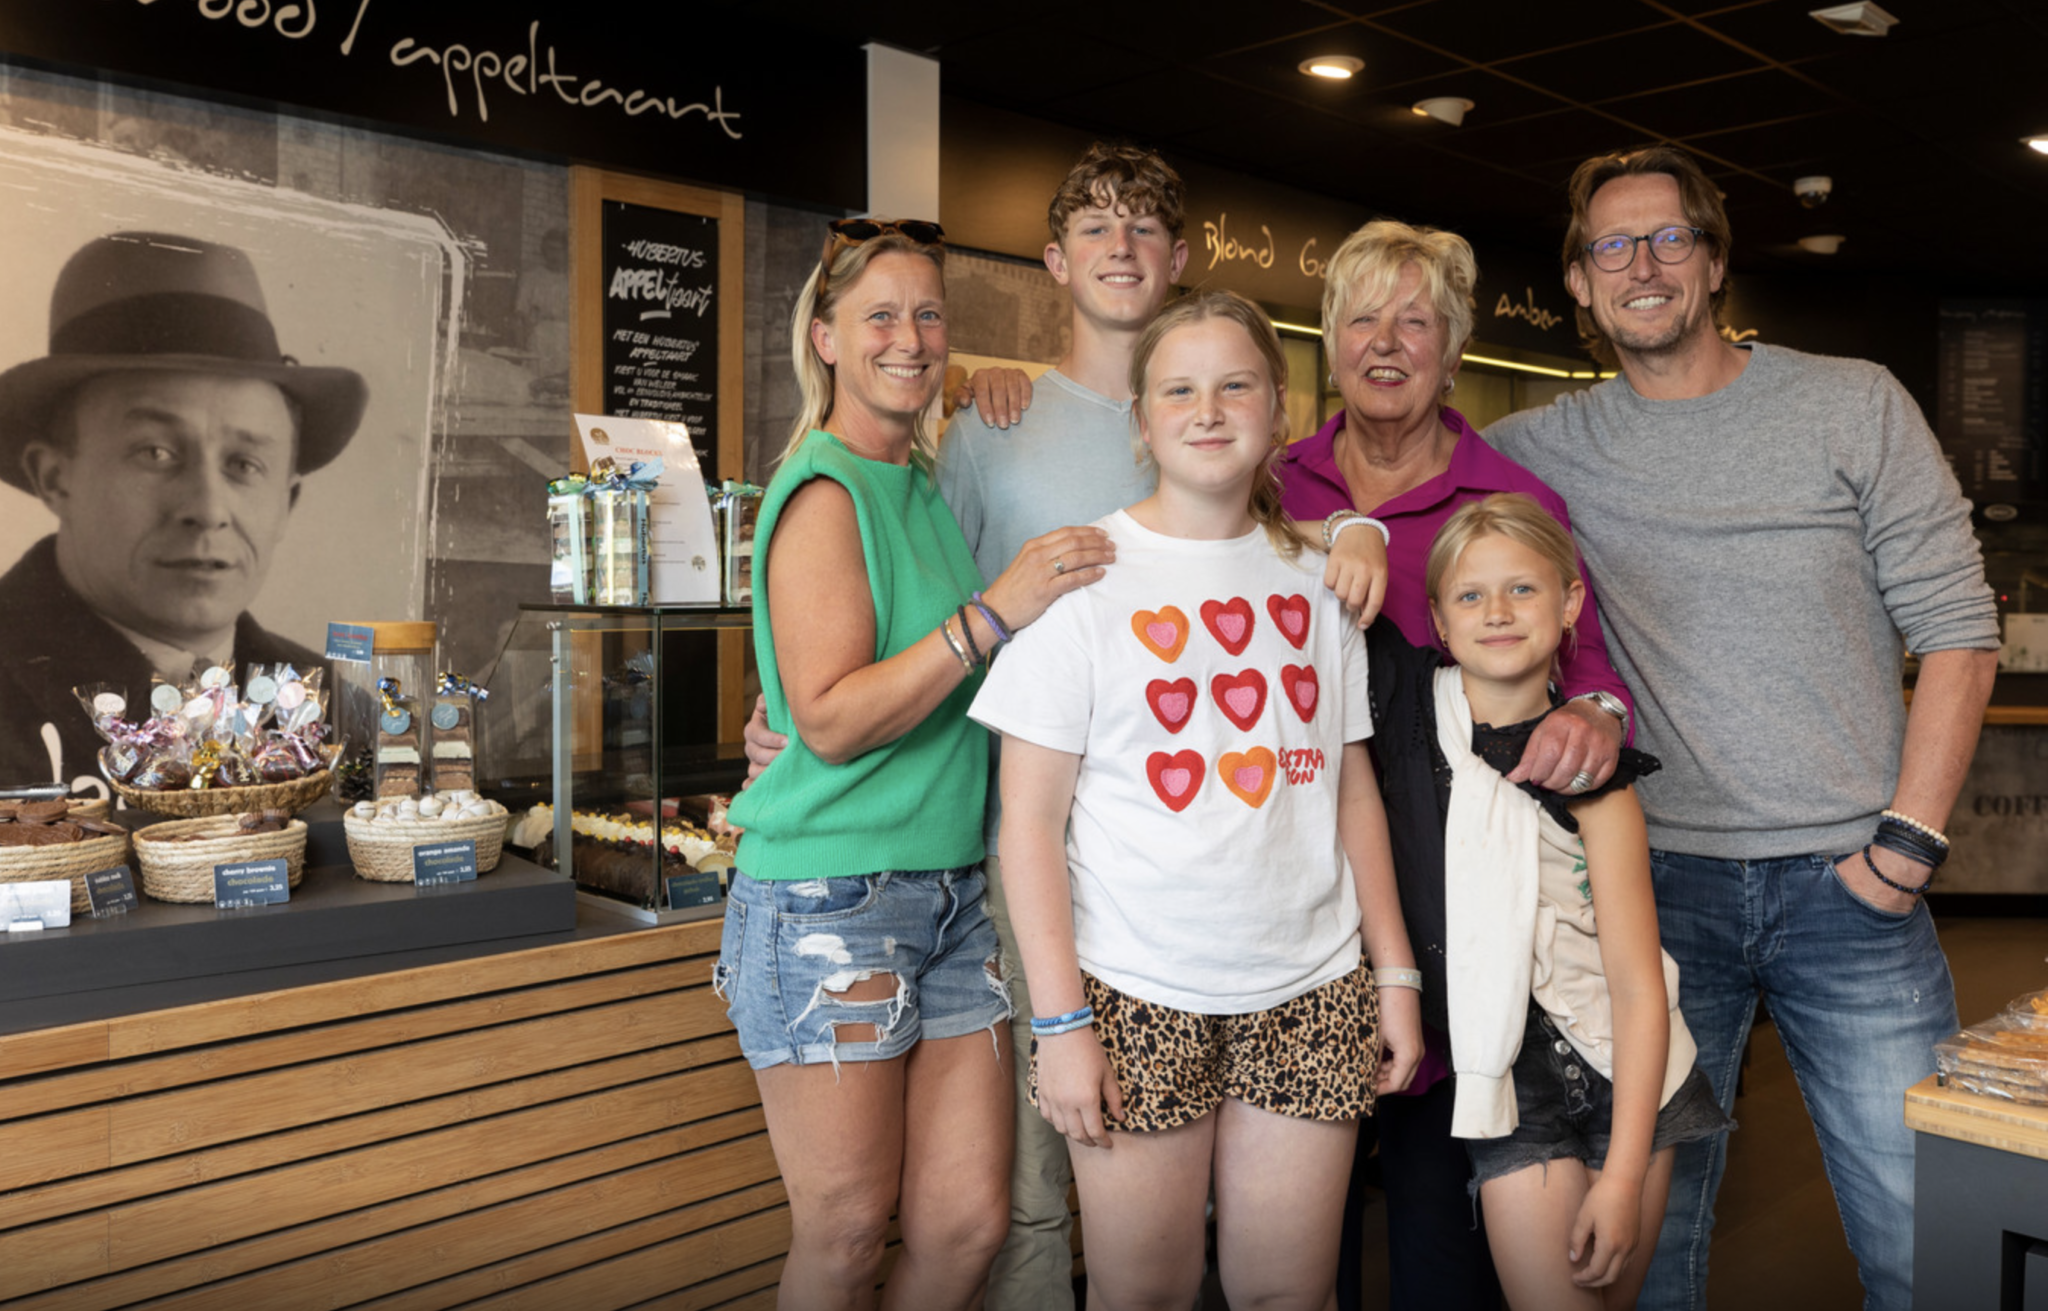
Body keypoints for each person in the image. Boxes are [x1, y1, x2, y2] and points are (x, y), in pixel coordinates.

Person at [1487, 145, 2000, 1311]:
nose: (1642, 265)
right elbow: (1367, 478)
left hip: (1852, 890)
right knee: (1643, 1265)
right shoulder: (1536, 449)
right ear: (1577, 283)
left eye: (1669, 237)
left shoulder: (1849, 401)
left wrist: (1904, 847)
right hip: (1656, 895)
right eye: (1609, 246)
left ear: (1712, 262)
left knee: (1930, 1251)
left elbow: (1958, 630)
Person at [970, 290, 1423, 1311]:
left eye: (1233, 386)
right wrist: (1058, 1025)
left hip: (1310, 986)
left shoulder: (1319, 579)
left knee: (1286, 1296)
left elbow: (1352, 789)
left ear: (1277, 410)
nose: (1206, 410)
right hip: (1132, 992)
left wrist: (1391, 972)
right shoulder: (1075, 576)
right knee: (1143, 1296)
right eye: (1177, 389)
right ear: (1140, 422)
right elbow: (1029, 828)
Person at [714, 218, 1111, 1311]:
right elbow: (833, 721)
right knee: (844, 1236)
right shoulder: (825, 489)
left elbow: (859, 681)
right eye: (879, 315)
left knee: (966, 1225)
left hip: (951, 893)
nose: (909, 336)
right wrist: (994, 612)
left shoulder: (920, 478)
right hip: (829, 899)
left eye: (928, 314)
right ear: (826, 339)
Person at [1275, 218, 1638, 1311]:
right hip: (1290, 911)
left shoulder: (1508, 497)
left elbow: (1583, 668)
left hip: (1459, 927)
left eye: (1415, 322)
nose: (1385, 342)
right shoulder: (1266, 482)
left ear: (1454, 346)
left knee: (1441, 1229)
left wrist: (1602, 714)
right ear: (1327, 340)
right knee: (1292, 1236)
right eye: (1360, 320)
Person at [1370, 493, 1728, 1309]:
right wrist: (1354, 532)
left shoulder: (1597, 778)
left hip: (1629, 1074)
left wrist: (1624, 1177)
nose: (1496, 612)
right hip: (1505, 1072)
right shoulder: (1411, 724)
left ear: (1569, 605)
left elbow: (1639, 986)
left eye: (1523, 590)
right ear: (1437, 618)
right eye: (1470, 595)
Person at [0, 231, 367, 795]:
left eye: (245, 464)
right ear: (55, 478)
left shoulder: (338, 710)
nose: (208, 510)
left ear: (286, 503)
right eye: (156, 453)